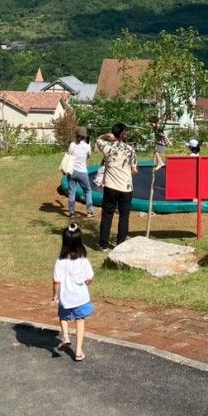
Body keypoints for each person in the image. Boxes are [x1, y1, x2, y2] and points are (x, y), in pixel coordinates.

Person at [52, 222, 94, 362]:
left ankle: (65, 336)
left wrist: (55, 296)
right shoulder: (83, 260)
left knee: (63, 317)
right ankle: (78, 351)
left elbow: (56, 282)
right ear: (79, 241)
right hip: (80, 298)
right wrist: (84, 281)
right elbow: (89, 279)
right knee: (79, 321)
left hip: (66, 298)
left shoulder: (60, 261)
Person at [97, 123, 138, 251]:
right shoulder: (130, 150)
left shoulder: (107, 147)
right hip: (126, 187)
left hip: (110, 186)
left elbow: (98, 139)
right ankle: (120, 244)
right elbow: (134, 169)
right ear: (123, 134)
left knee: (107, 215)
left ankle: (103, 244)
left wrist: (106, 136)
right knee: (124, 216)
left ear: (113, 134)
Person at [66, 126, 94, 218]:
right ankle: (89, 212)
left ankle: (72, 213)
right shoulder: (87, 146)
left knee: (71, 192)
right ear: (85, 136)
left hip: (71, 172)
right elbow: (88, 156)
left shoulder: (72, 145)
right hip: (82, 172)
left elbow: (69, 155)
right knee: (87, 191)